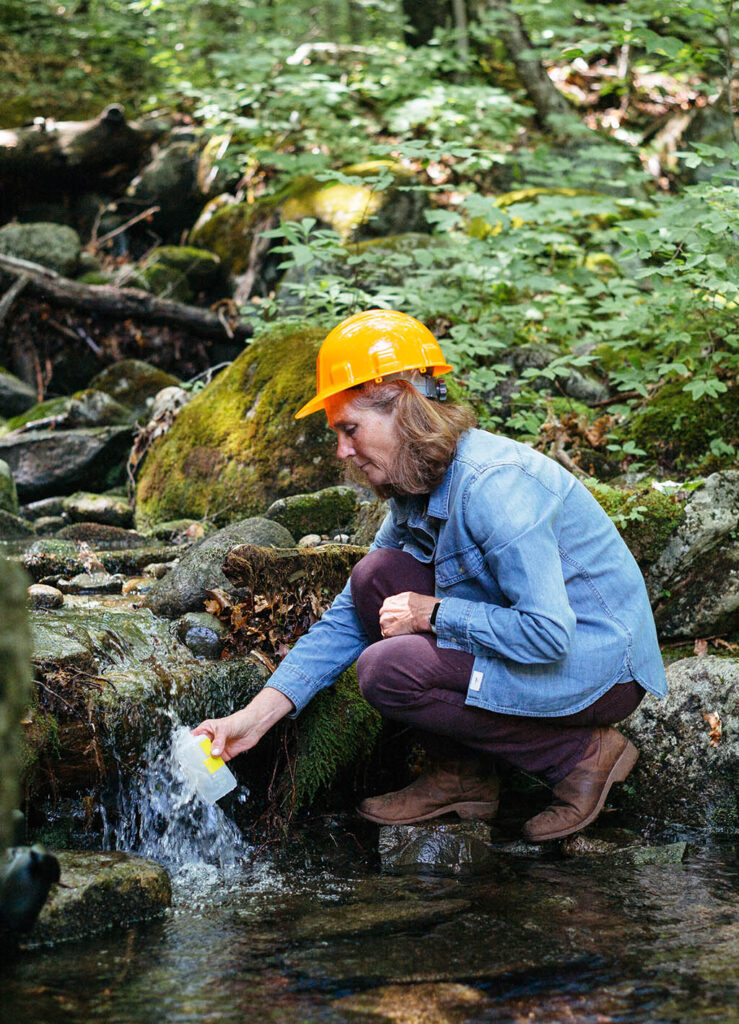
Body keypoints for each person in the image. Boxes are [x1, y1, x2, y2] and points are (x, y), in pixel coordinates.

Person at [193, 309, 667, 841]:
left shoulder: (494, 488)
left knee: (387, 670)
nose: (342, 451)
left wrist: (434, 614)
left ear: (401, 405)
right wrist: (252, 721)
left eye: (350, 429)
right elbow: (351, 612)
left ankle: (580, 756)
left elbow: (549, 634)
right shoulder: (416, 489)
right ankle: (461, 776)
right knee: (376, 577)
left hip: (600, 665)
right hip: (549, 646)